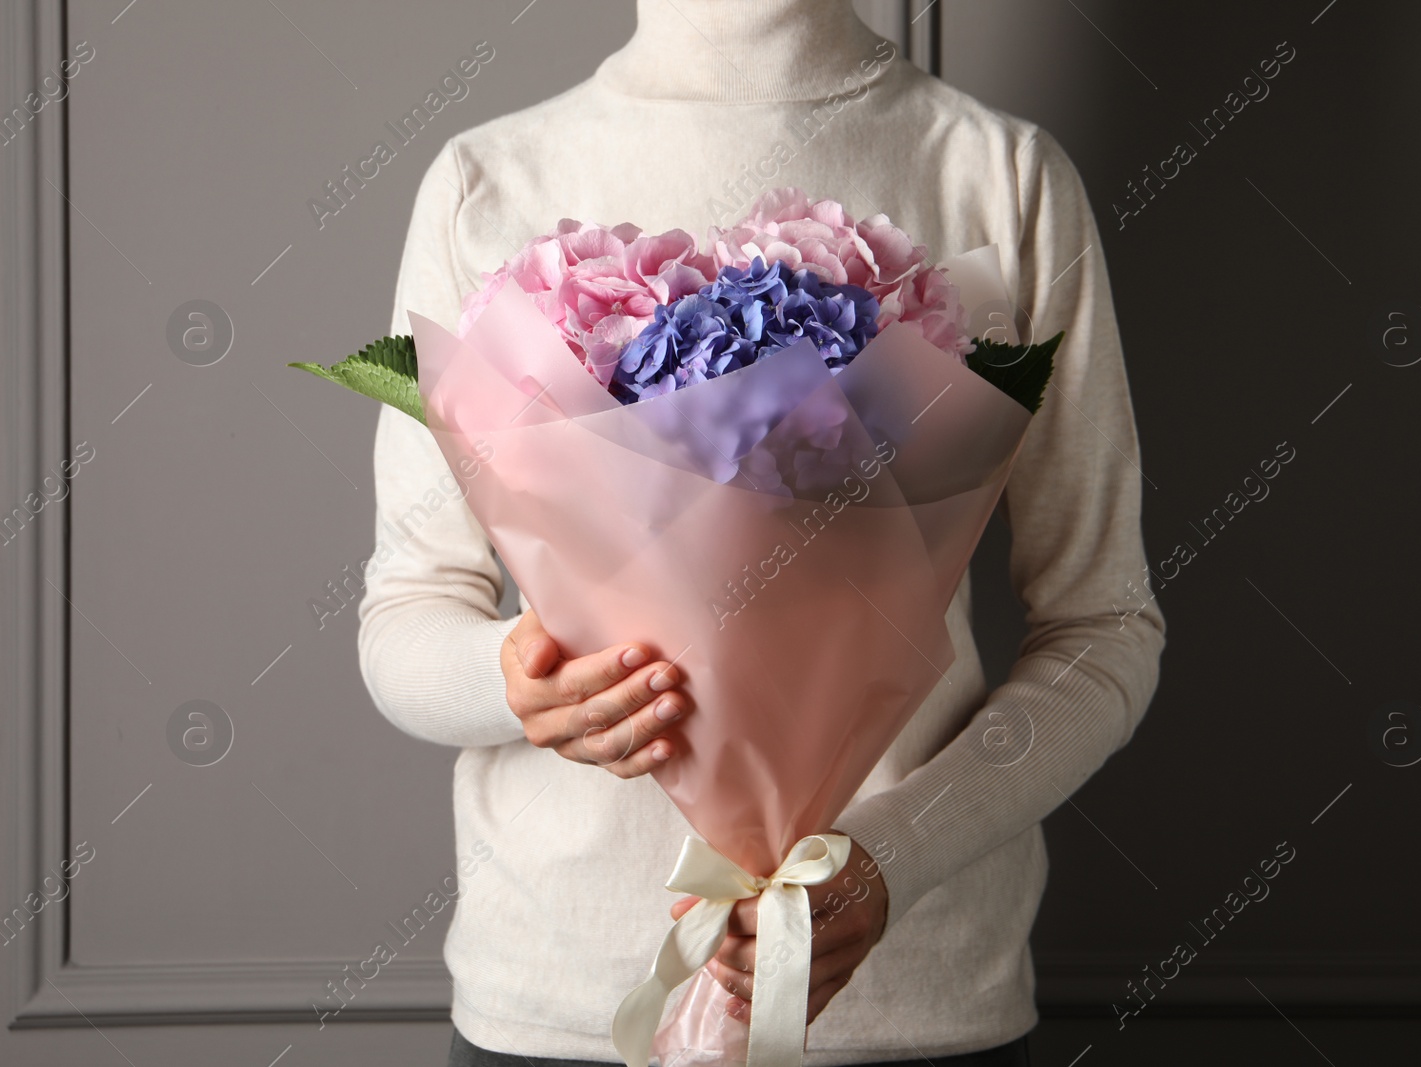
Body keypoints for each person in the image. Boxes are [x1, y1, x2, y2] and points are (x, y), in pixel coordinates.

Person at [357, 2, 1165, 1064]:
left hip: (917, 997)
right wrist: (514, 678)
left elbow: (1104, 625)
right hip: (558, 1003)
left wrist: (888, 857)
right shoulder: (488, 179)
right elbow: (403, 621)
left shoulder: (999, 173)